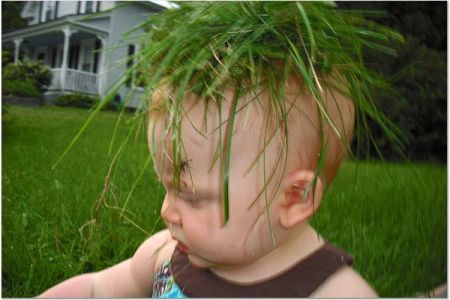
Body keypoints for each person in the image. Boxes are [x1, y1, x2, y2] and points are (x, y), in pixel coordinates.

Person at [39, 2, 401, 297]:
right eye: (166, 188)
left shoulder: (334, 294)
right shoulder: (164, 255)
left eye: (192, 197)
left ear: (295, 197)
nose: (167, 212)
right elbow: (97, 289)